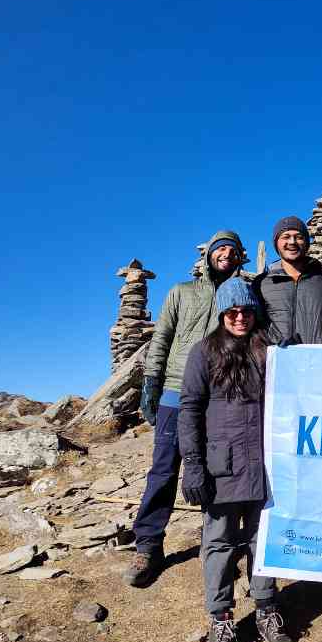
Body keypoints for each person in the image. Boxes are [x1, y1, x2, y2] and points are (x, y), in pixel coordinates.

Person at [177, 278, 296, 642]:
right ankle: (221, 618)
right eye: (232, 312)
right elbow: (190, 409)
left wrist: (297, 361)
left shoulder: (270, 351)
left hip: (265, 463)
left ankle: (265, 609)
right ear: (222, 314)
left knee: (263, 540)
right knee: (220, 543)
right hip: (221, 465)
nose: (240, 317)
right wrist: (192, 465)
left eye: (246, 310)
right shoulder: (204, 352)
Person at [123, 231, 244, 588]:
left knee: (215, 470)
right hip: (176, 392)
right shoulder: (181, 292)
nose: (226, 254)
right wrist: (151, 383)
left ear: (240, 259)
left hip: (219, 396)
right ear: (208, 255)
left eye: (233, 251)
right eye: (220, 249)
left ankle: (216, 544)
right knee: (164, 469)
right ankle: (148, 545)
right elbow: (161, 337)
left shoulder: (238, 296)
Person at [253, 216, 322, 345]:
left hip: (317, 362)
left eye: (299, 237)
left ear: (306, 242)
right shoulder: (262, 283)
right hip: (274, 361)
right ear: (276, 243)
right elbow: (253, 325)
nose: (292, 242)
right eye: (286, 237)